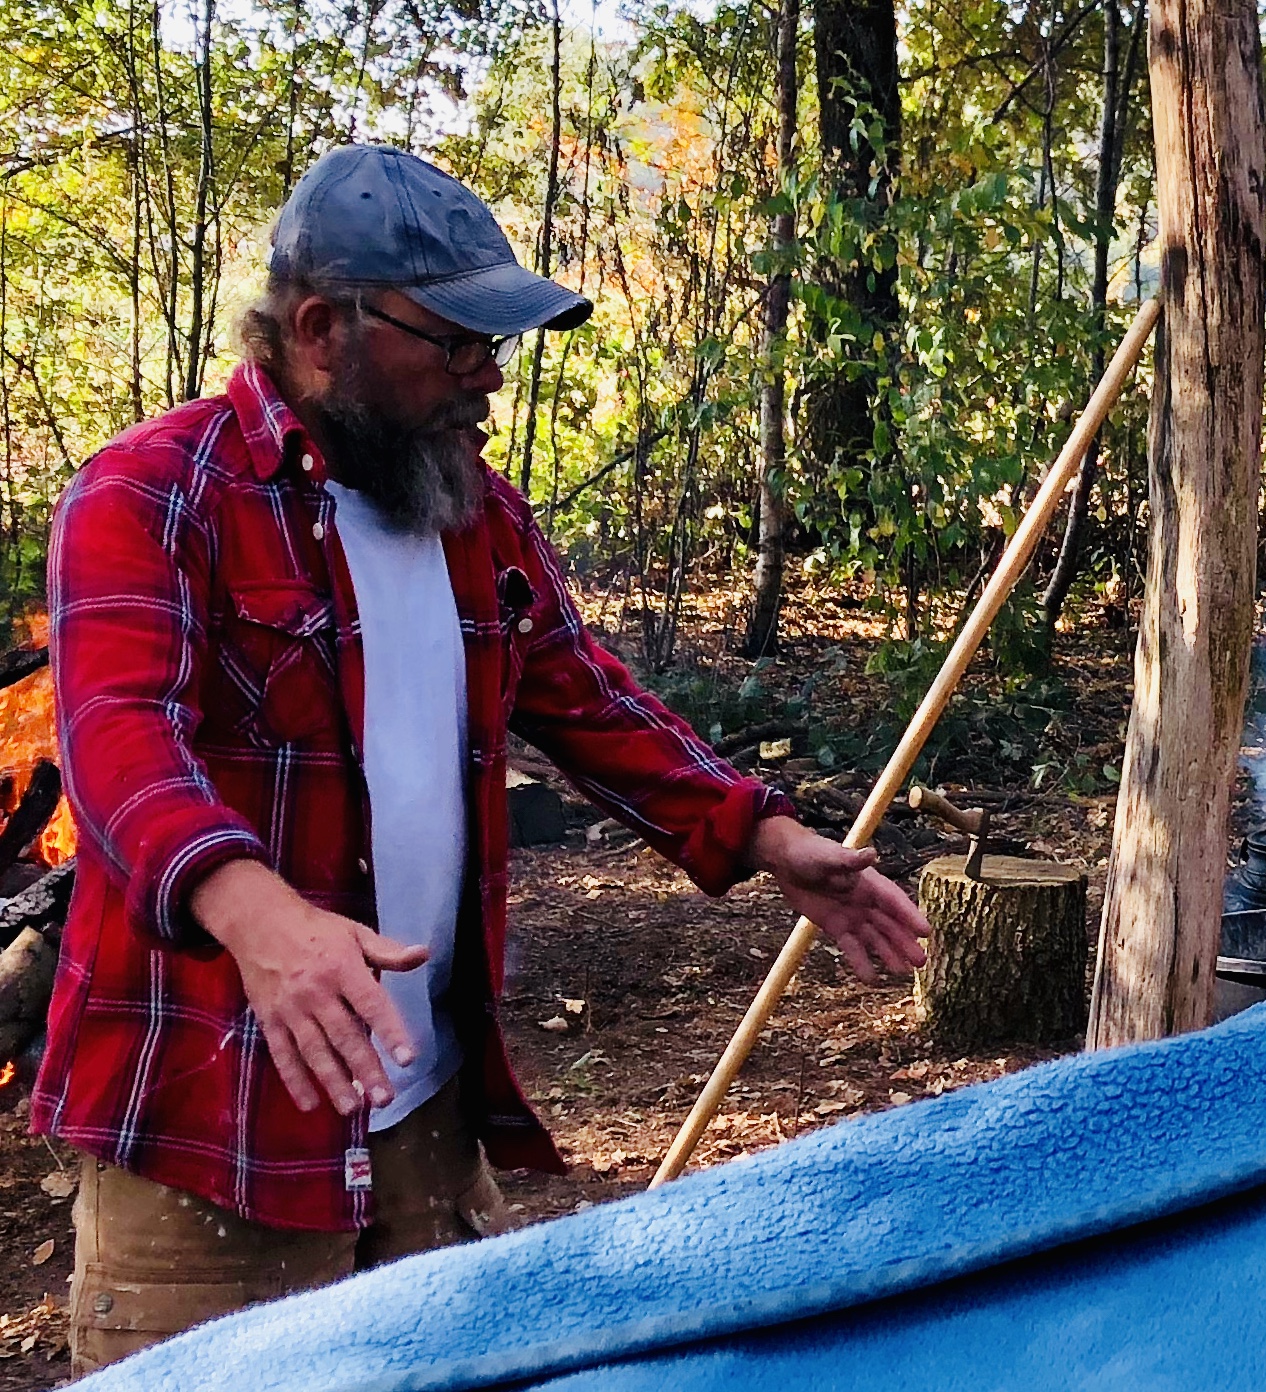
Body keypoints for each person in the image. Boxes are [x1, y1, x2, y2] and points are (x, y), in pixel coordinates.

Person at [39, 144, 928, 1374]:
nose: (488, 380)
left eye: (495, 346)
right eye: (453, 344)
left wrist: (765, 833)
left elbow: (585, 693)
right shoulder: (151, 495)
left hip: (422, 1111)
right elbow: (118, 737)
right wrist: (256, 915)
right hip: (212, 1119)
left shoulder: (473, 508)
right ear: (318, 329)